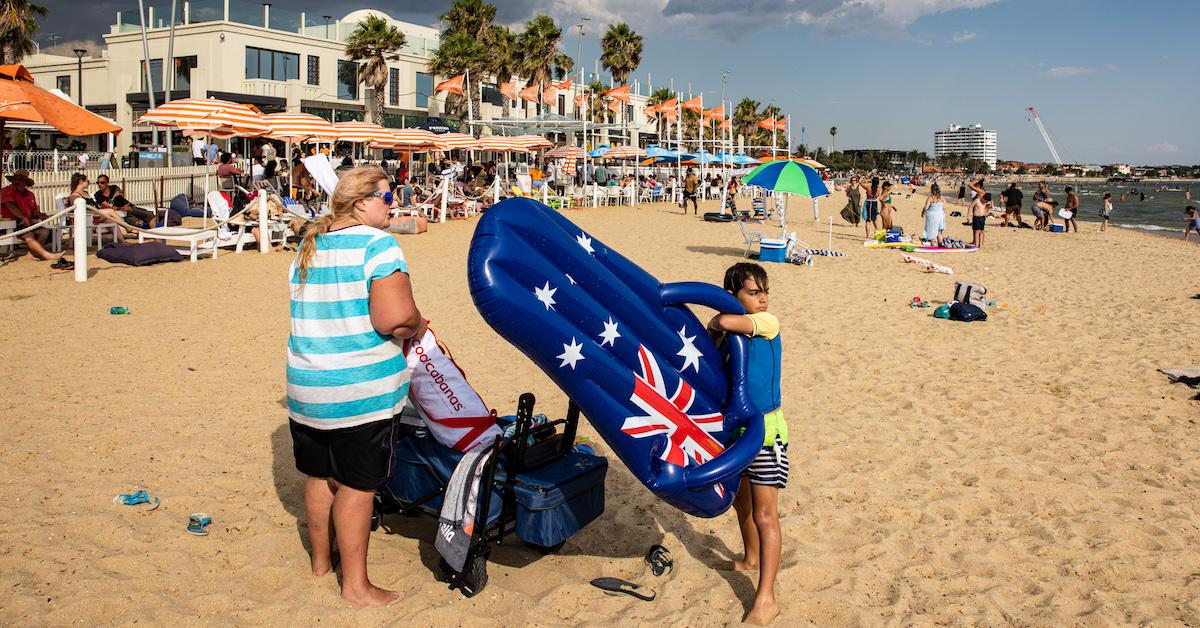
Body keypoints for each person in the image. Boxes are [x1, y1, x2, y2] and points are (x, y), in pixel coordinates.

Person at [287, 166, 425, 607]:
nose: (394, 204)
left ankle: (321, 563)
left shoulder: (310, 244)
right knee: (357, 485)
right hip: (358, 387)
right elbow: (395, 319)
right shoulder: (378, 244)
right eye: (388, 197)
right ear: (362, 202)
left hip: (307, 382)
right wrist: (420, 324)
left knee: (320, 475)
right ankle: (356, 586)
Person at [707, 262, 786, 626]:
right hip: (737, 433)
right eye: (753, 292)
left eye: (764, 291)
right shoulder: (730, 337)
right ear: (733, 295)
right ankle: (751, 557)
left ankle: (766, 597)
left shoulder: (767, 324)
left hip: (767, 433)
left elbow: (723, 322)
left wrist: (719, 318)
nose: (763, 299)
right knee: (741, 504)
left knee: (765, 513)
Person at [1, 169, 68, 265]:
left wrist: (40, 214)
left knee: (44, 232)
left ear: (25, 182)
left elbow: (33, 211)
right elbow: (10, 205)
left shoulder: (30, 195)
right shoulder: (7, 191)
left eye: (20, 180)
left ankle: (31, 254)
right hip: (10, 223)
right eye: (16, 179)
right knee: (29, 235)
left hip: (27, 223)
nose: (17, 182)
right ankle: (47, 255)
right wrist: (24, 217)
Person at [94, 174, 158, 228]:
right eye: (98, 183)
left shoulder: (113, 187)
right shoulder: (98, 195)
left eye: (102, 182)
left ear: (107, 183)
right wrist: (119, 205)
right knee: (138, 223)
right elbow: (109, 207)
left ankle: (155, 237)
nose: (99, 184)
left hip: (129, 207)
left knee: (149, 215)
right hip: (120, 213)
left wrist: (123, 205)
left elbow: (120, 193)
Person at [968, 177, 988, 248]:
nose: (975, 187)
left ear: (978, 185)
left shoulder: (980, 191)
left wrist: (977, 180)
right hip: (979, 211)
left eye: (976, 185)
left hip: (979, 212)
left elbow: (970, 185)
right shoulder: (981, 191)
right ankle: (976, 241)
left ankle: (979, 243)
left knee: (978, 229)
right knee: (977, 229)